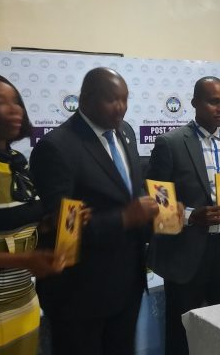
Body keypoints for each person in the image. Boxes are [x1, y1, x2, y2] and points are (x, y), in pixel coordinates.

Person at [30, 67, 159, 355]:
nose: (121, 107)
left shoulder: (125, 132)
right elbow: (62, 230)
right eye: (112, 99)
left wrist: (155, 210)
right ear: (85, 99)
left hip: (127, 284)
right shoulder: (56, 147)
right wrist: (124, 218)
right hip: (80, 294)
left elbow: (128, 192)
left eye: (125, 99)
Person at [146, 76, 220, 355]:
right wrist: (192, 216)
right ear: (195, 102)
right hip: (186, 253)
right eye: (214, 102)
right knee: (182, 334)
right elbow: (157, 205)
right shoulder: (170, 143)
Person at [0, 73, 65, 355]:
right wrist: (23, 260)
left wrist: (50, 225)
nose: (14, 109)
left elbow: (12, 226)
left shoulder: (18, 164)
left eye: (16, 101)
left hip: (22, 305)